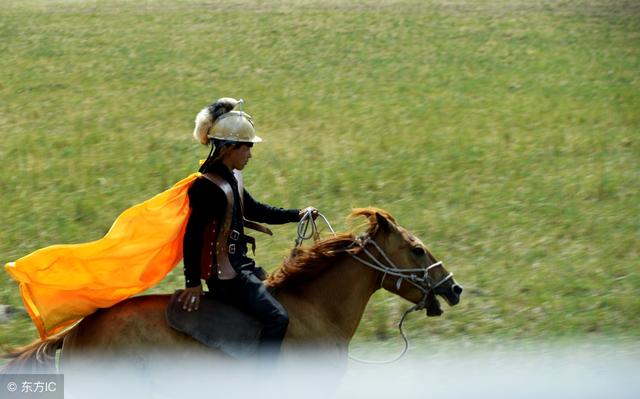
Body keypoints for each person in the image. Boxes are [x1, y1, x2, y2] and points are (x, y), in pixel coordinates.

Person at [177, 97, 316, 357]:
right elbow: (192, 236)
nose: (250, 154)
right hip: (226, 278)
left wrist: (298, 215)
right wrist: (192, 282)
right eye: (247, 148)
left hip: (242, 268)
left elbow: (256, 210)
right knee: (278, 318)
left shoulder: (232, 177)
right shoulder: (207, 187)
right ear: (229, 147)